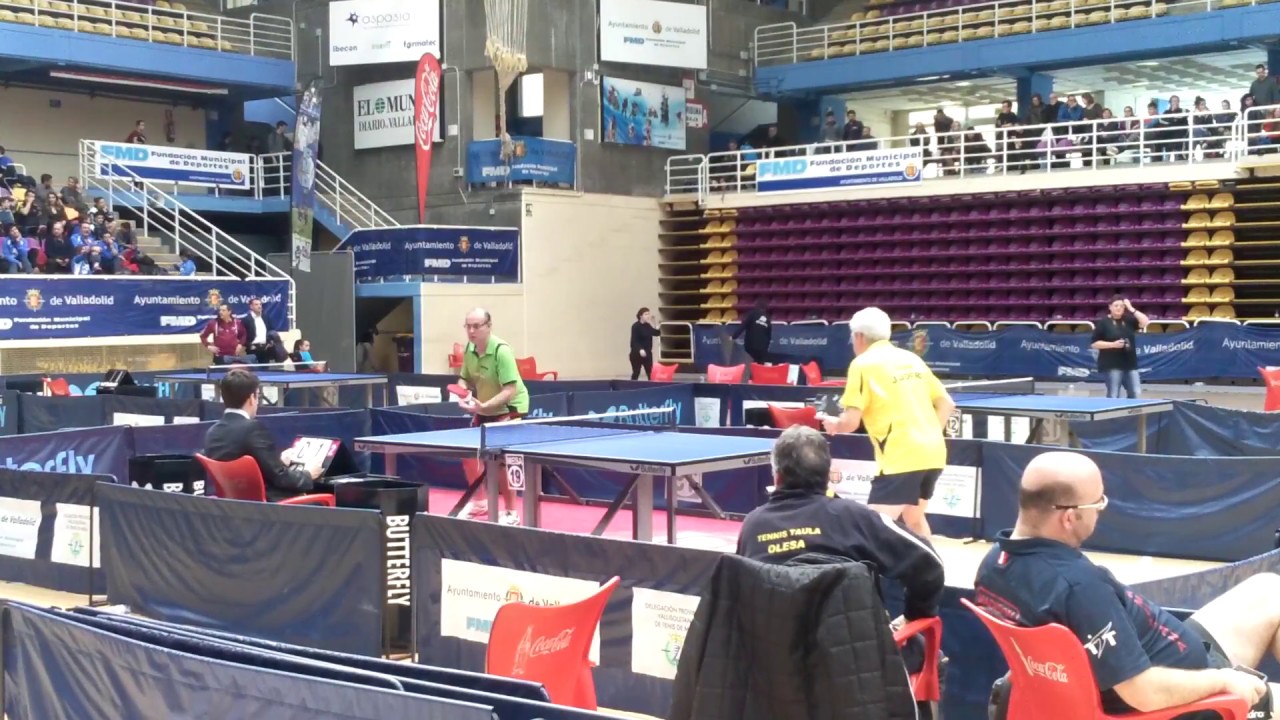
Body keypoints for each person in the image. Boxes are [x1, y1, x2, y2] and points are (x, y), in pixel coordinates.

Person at [974, 451, 1275, 717]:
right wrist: (1224, 680)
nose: (1101, 510)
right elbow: (1142, 693)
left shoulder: (994, 567)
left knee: (1269, 588)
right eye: (1098, 503)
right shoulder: (1079, 587)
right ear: (1069, 517)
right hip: (1185, 694)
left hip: (1164, 652)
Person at [738, 426, 945, 623]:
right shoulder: (856, 518)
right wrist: (914, 615)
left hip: (769, 654)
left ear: (777, 476)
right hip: (853, 657)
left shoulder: (752, 525)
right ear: (828, 476)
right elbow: (930, 565)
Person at [822, 307, 955, 540]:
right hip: (934, 453)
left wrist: (834, 424)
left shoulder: (862, 364)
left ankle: (876, 577)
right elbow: (946, 404)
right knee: (914, 520)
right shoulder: (911, 358)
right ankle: (932, 573)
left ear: (859, 336)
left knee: (874, 530)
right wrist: (931, 433)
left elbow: (850, 423)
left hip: (900, 457)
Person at [203, 369, 324, 501]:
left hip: (234, 506)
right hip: (268, 506)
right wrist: (308, 474)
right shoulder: (253, 429)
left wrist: (279, 461)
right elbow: (280, 478)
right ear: (251, 398)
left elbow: (244, 473)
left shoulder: (212, 433)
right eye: (258, 396)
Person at [457, 308, 530, 526]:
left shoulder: (501, 351)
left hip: (510, 408)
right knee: (469, 455)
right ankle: (479, 503)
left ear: (489, 326)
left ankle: (511, 512)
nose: (471, 331)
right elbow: (464, 379)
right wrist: (463, 395)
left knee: (502, 461)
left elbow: (511, 389)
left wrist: (485, 406)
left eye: (476, 326)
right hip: (484, 408)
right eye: (468, 326)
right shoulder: (470, 349)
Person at [1091, 295, 1149, 399]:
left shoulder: (1128, 320)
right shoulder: (1103, 323)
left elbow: (1145, 322)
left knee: (1135, 392)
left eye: (1121, 306)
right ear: (1110, 307)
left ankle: (1132, 414)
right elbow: (1094, 343)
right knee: (1114, 394)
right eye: (1116, 305)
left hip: (1130, 364)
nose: (1119, 308)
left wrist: (1131, 309)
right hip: (1112, 364)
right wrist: (1112, 345)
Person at [732, 298, 773, 365]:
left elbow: (743, 326)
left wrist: (734, 336)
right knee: (760, 366)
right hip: (762, 348)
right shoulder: (768, 319)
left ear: (756, 306)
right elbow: (769, 335)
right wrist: (766, 348)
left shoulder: (752, 314)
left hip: (750, 345)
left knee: (749, 364)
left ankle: (749, 374)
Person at [243, 297, 279, 365]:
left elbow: (271, 330)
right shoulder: (246, 320)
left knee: (265, 370)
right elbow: (243, 335)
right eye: (256, 304)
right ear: (251, 306)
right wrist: (249, 345)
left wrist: (270, 342)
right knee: (254, 371)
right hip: (253, 349)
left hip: (265, 348)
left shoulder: (266, 317)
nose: (259, 306)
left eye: (260, 304)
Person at [629, 307, 661, 380]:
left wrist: (655, 324)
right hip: (636, 354)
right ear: (641, 316)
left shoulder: (648, 326)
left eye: (649, 314)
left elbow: (657, 333)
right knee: (636, 372)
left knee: (650, 373)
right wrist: (640, 349)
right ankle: (632, 387)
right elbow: (634, 341)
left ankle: (651, 388)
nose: (648, 316)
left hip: (647, 353)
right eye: (646, 314)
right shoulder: (635, 326)